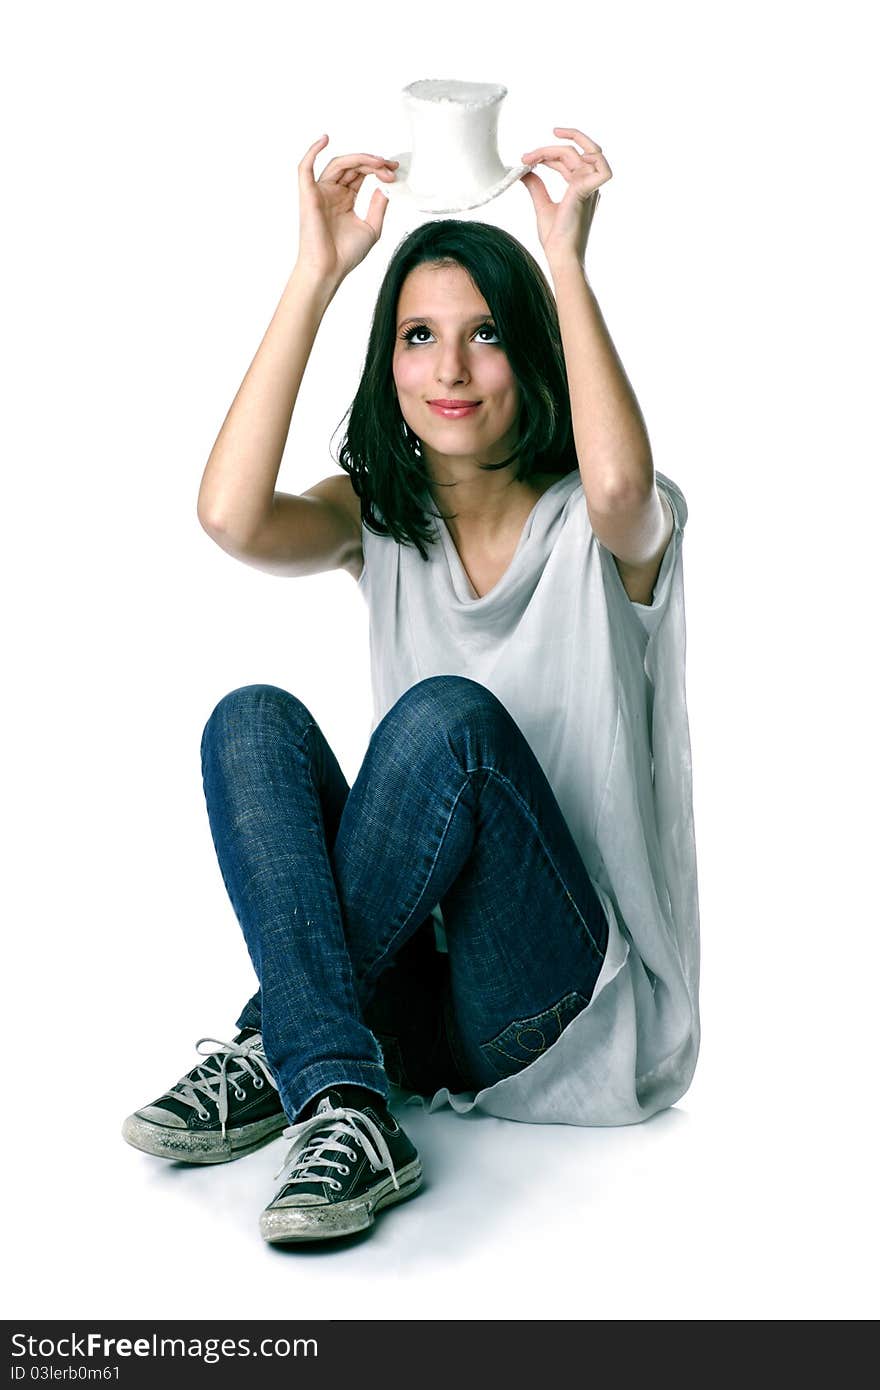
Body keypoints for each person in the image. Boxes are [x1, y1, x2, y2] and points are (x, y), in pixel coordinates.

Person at [122, 128, 700, 1245]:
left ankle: (277, 1035)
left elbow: (621, 477)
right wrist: (316, 273)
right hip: (412, 996)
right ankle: (338, 1090)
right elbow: (231, 516)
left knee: (446, 723)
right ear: (387, 365)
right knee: (251, 722)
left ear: (530, 357)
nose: (448, 371)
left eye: (484, 336)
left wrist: (566, 263)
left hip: (559, 997)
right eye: (417, 338)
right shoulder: (379, 520)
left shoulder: (606, 524)